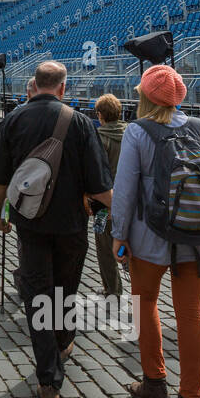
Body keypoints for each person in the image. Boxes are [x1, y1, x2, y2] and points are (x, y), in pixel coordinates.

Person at [0, 61, 113, 398]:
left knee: (38, 297)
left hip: (31, 225)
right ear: (62, 87)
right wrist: (120, 216)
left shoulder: (13, 119)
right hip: (72, 226)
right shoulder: (81, 122)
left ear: (36, 84)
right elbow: (101, 186)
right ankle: (63, 342)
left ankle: (48, 381)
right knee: (66, 291)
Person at [110, 65, 200, 398]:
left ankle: (154, 381)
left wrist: (118, 235)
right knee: (192, 313)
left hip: (150, 237)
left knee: (145, 303)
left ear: (145, 95)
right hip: (198, 238)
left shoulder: (137, 131)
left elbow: (125, 191)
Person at [90, 94, 126, 298]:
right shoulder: (132, 133)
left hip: (103, 203)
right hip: (130, 201)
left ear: (100, 115)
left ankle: (112, 289)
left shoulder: (98, 137)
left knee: (104, 247)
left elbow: (95, 174)